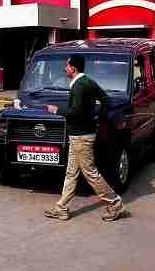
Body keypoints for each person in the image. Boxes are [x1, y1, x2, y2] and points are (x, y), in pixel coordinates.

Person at [44, 55, 126, 222]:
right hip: (79, 135)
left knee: (90, 173)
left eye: (67, 66)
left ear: (73, 68)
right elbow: (106, 100)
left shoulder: (79, 86)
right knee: (71, 173)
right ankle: (61, 208)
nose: (65, 69)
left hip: (81, 137)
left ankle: (115, 203)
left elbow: (75, 112)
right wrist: (97, 117)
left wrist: (56, 110)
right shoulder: (88, 81)